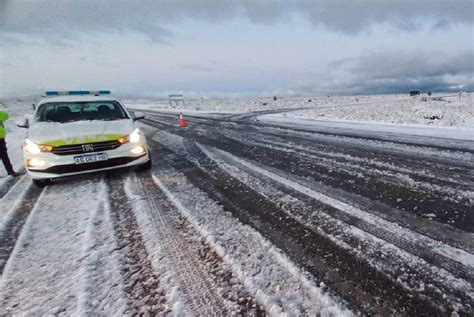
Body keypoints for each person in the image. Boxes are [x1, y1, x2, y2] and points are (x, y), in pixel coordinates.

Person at [0, 109, 20, 177]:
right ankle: (10, 171)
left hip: (1, 139)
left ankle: (10, 171)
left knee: (4, 156)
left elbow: (5, 116)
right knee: (4, 156)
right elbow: (5, 116)